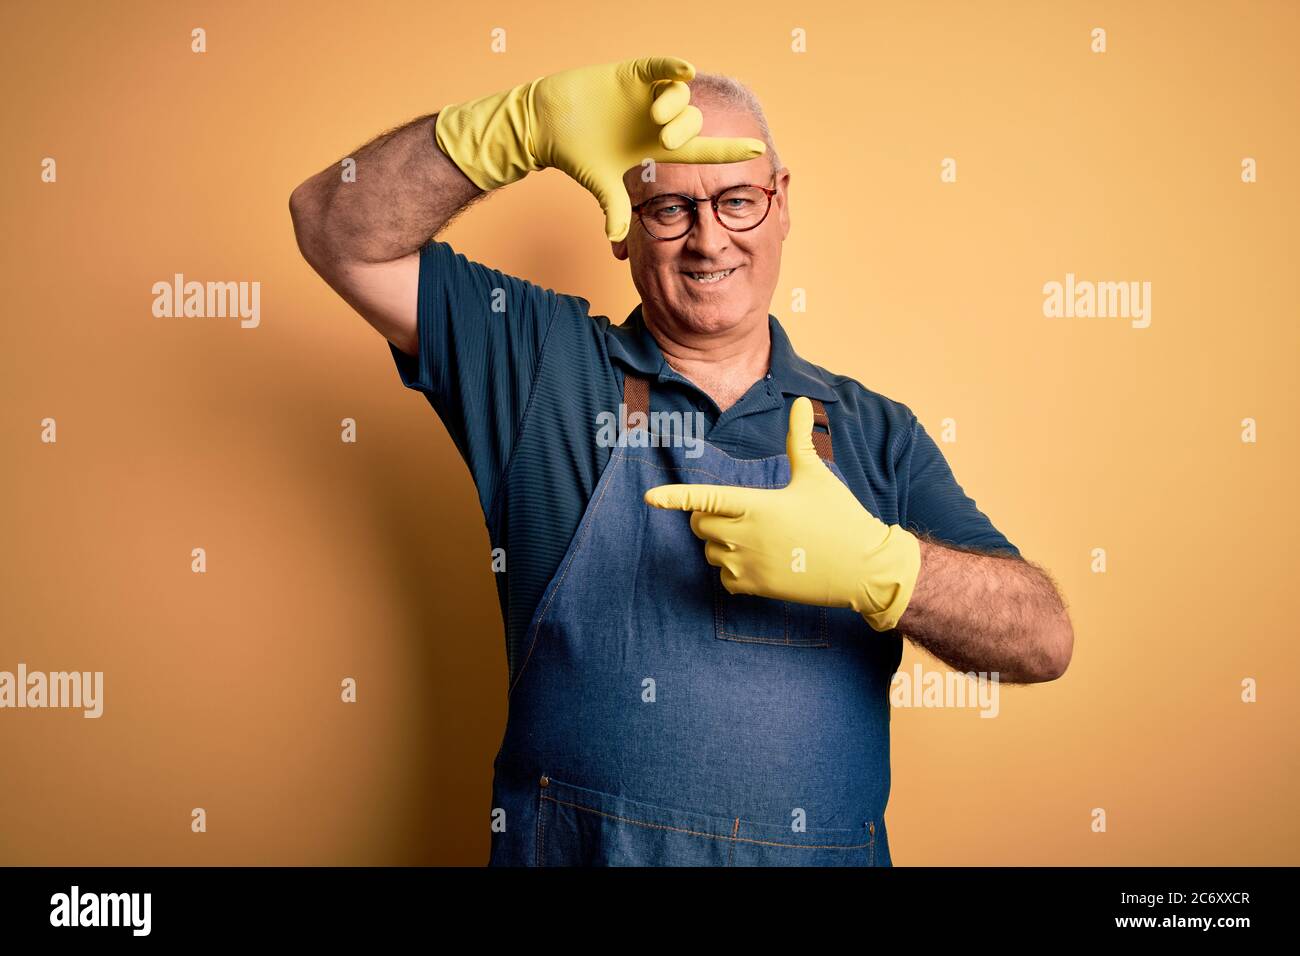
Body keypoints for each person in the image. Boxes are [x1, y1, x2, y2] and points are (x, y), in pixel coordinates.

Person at [289, 56, 1074, 867]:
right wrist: (515, 128)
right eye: (669, 207)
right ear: (624, 229)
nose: (708, 238)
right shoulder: (541, 367)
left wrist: (887, 567)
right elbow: (332, 227)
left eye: (738, 199)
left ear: (781, 206)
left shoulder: (877, 432)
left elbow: (1043, 640)